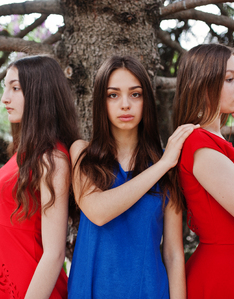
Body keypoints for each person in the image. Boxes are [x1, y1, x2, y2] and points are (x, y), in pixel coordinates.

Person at [67, 56, 196, 299]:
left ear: (147, 101)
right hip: (91, 291)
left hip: (148, 291)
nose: (125, 104)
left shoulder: (168, 169)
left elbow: (173, 254)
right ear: (100, 103)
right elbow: (98, 211)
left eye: (135, 94)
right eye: (113, 95)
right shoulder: (82, 154)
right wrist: (164, 164)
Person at [172, 43, 234, 298]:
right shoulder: (200, 145)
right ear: (203, 83)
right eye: (229, 79)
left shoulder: (213, 141)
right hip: (224, 275)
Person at [0, 55, 80, 299]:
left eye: (15, 88)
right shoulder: (25, 152)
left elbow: (55, 253)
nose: (4, 98)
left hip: (31, 287)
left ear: (39, 94)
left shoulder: (52, 159)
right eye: (5, 88)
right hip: (8, 276)